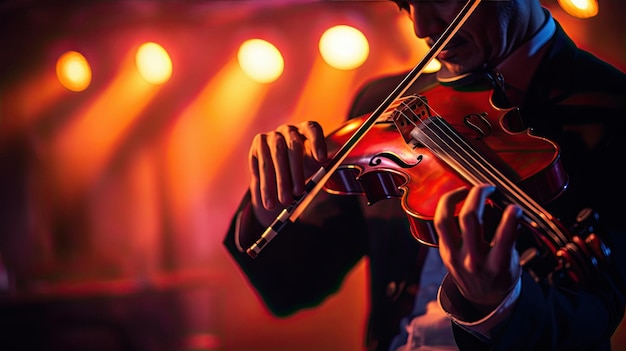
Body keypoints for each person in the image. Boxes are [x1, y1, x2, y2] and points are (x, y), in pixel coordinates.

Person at [223, 0, 626, 350]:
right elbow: (294, 287)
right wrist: (270, 200)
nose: (421, 26)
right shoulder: (386, 103)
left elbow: (598, 311)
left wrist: (500, 304)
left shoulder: (611, 105)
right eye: (406, 3)